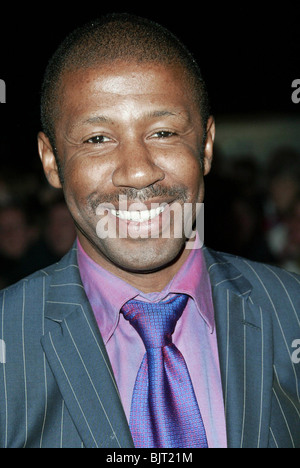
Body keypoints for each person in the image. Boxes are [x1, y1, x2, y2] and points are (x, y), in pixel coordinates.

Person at [0, 14, 299, 449]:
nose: (138, 172)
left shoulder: (290, 310)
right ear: (50, 161)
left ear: (207, 145)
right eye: (98, 139)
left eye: (163, 132)